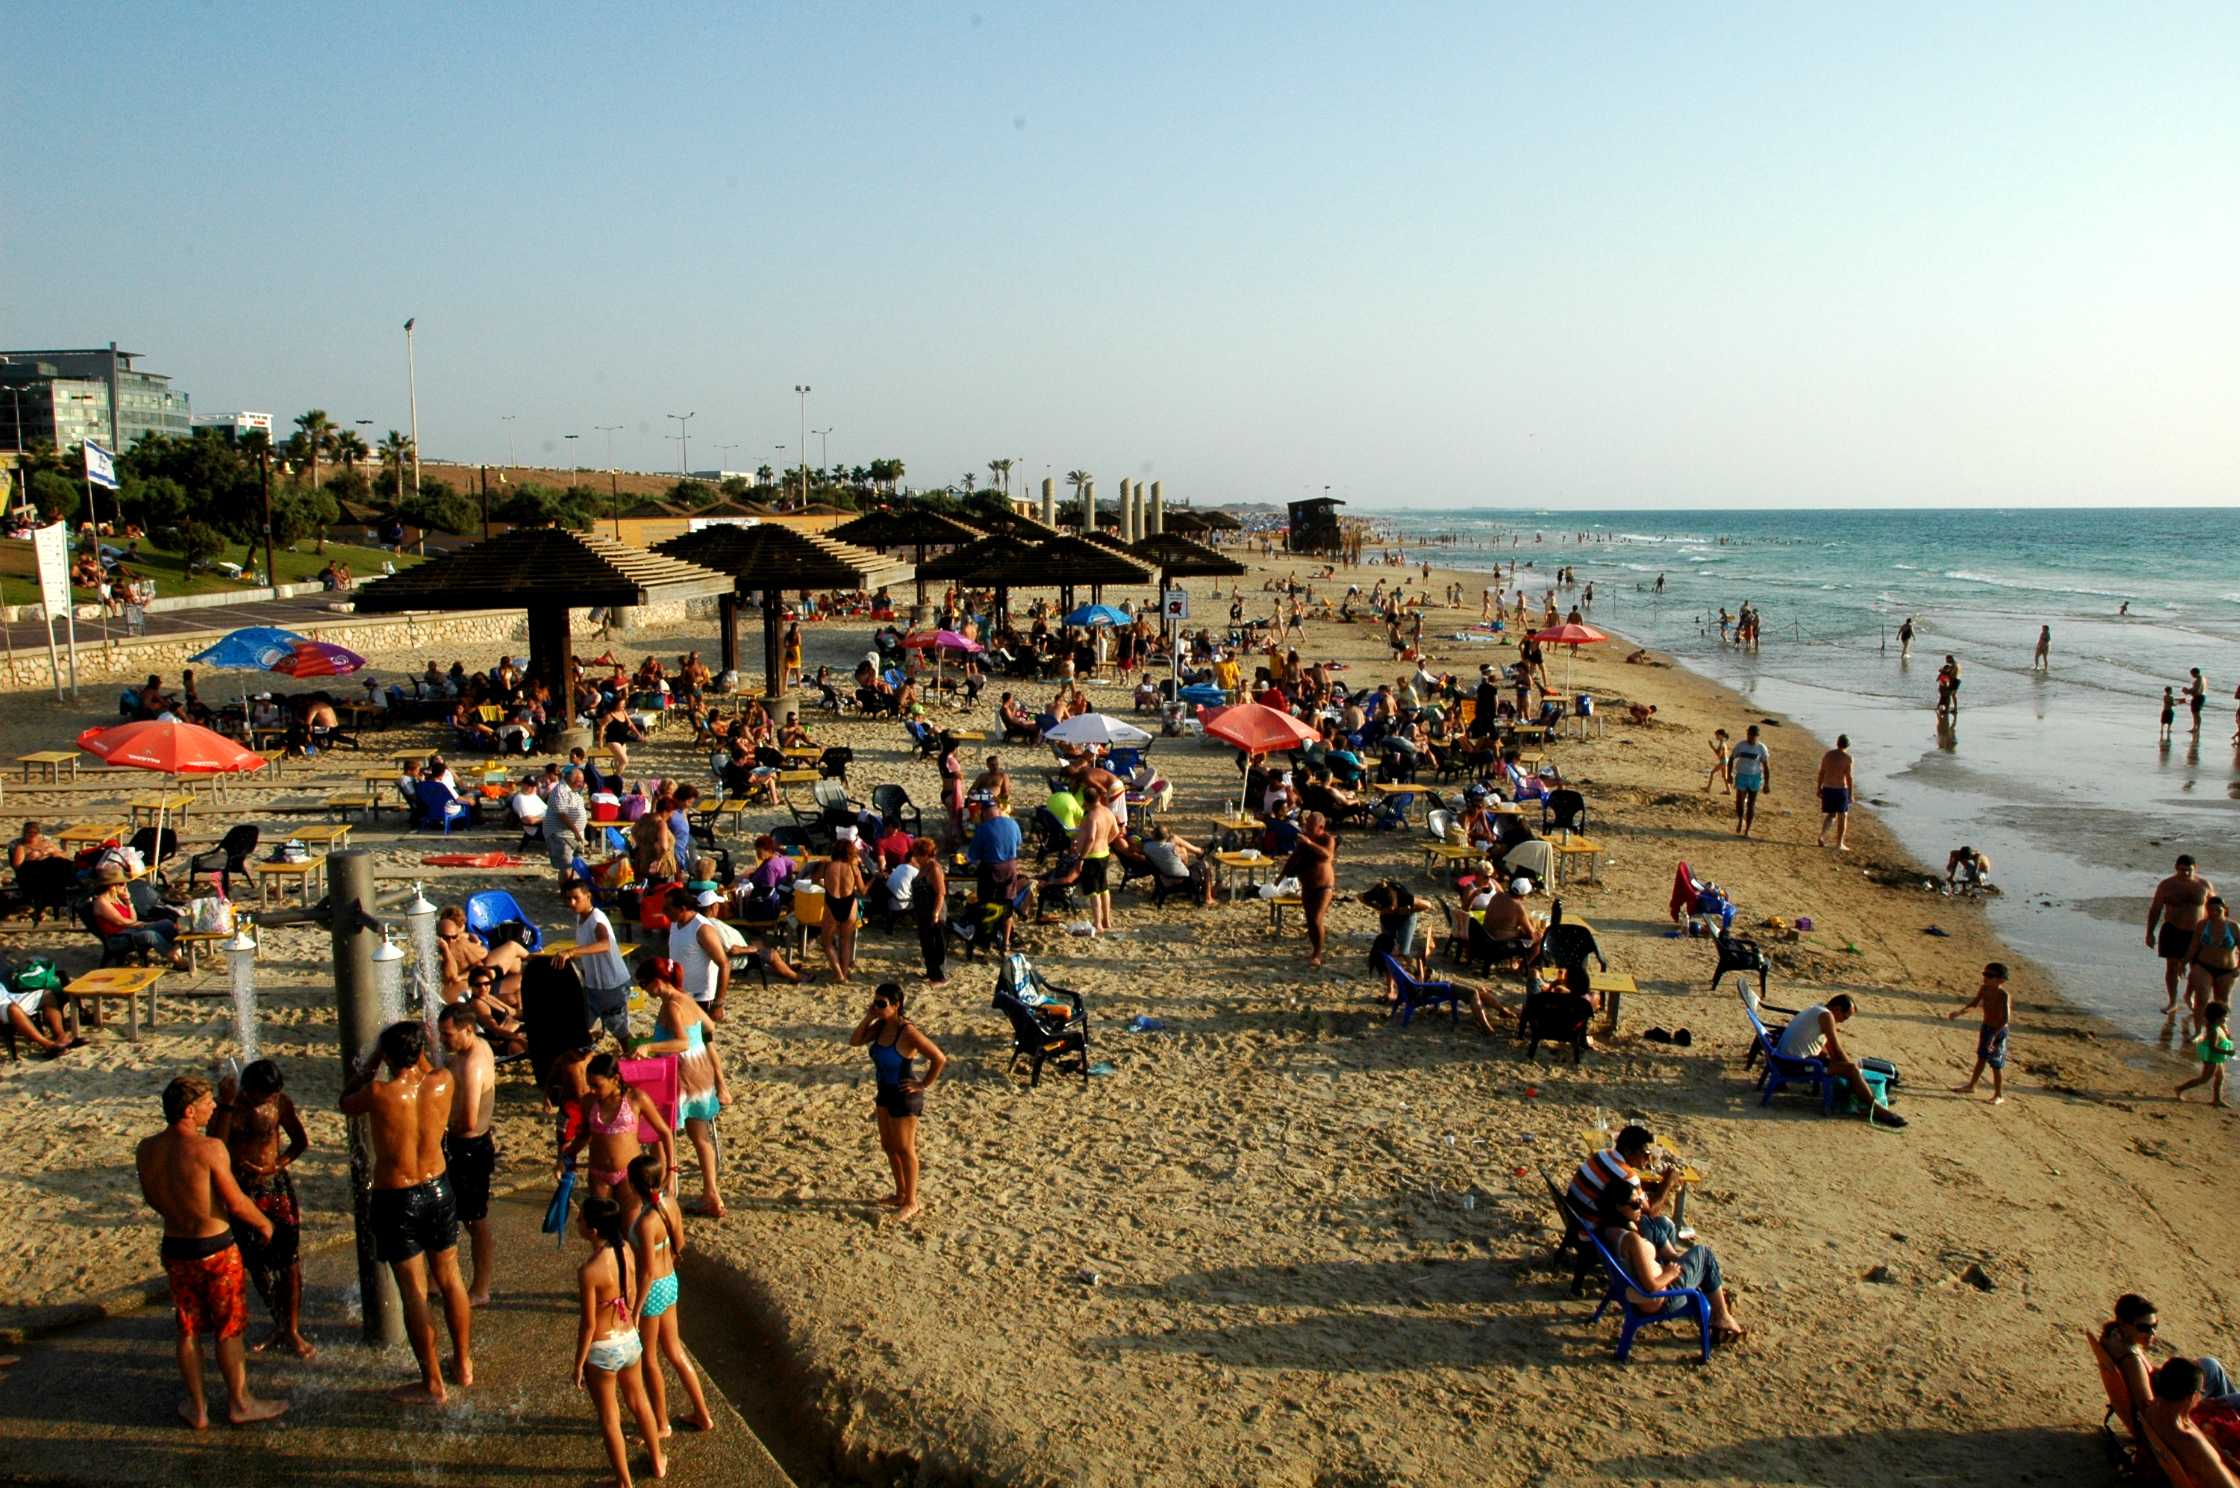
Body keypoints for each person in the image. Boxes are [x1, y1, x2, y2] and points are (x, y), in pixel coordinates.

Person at [136, 1076, 289, 1429]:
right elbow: (235, 1202)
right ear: (190, 1111)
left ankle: (199, 1407)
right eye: (208, 1102)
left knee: (187, 1327)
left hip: (176, 1246)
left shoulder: (147, 1148)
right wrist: (266, 1224)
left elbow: (152, 1197)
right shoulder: (209, 1149)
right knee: (228, 1327)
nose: (214, 1107)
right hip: (215, 1246)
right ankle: (239, 1402)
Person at [339, 1021, 474, 1404]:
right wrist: (420, 1048)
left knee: (415, 1291)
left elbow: (345, 1102)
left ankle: (432, 1382)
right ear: (419, 1052)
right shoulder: (443, 1080)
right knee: (450, 1278)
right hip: (438, 1187)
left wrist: (371, 1062)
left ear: (387, 1057)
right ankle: (463, 1363)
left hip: (397, 1196)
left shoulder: (379, 1092)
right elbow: (429, 1069)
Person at [206, 1060, 312, 1357]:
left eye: (272, 1095)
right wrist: (227, 1104)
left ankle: (291, 1329)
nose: (267, 1101)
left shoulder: (280, 1105)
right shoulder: (228, 1108)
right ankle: (278, 1322)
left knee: (288, 1259)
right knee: (255, 1262)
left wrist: (276, 1165)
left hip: (274, 1188)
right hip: (239, 1191)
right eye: (262, 1096)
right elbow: (215, 1144)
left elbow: (299, 1142)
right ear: (247, 1090)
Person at [572, 1195, 667, 1488]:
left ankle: (624, 1482)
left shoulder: (589, 1271)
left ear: (593, 1230)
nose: (577, 1221)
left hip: (603, 1348)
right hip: (629, 1339)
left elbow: (588, 1325)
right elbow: (635, 1288)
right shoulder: (624, 1248)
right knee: (639, 1402)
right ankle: (657, 1461)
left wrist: (577, 1365)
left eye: (581, 1219)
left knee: (610, 1417)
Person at [626, 1155, 714, 1437]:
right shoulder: (670, 1203)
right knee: (674, 1351)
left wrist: (636, 1309)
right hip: (670, 1282)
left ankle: (661, 1423)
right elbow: (681, 1242)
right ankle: (703, 1413)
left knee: (650, 1358)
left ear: (633, 1184)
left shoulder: (645, 1222)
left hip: (652, 1290)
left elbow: (646, 1272)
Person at [1595, 1180, 1743, 1347]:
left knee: (1658, 1224)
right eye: (1636, 1204)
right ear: (1619, 1207)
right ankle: (1722, 1317)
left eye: (1641, 1200)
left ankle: (1711, 1298)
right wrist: (1669, 1274)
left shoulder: (1607, 1230)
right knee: (1704, 1254)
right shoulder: (1632, 1241)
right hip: (1662, 1300)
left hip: (1631, 1290)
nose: (1642, 1206)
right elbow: (1651, 1286)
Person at [849, 983, 947, 1223]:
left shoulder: (908, 1032)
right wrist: (869, 1015)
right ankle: (900, 1193)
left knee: (905, 1148)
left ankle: (912, 1202)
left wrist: (923, 1083)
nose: (878, 1007)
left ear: (896, 1005)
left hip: (904, 1094)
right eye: (876, 1002)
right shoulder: (881, 1026)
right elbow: (855, 1040)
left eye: (882, 1004)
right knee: (888, 1145)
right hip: (884, 1091)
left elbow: (939, 1058)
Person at [639, 966, 730, 1218]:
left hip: (679, 1076)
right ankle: (712, 1194)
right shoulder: (686, 998)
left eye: (644, 983)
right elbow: (709, 1026)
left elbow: (682, 1042)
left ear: (658, 981)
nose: (643, 990)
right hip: (701, 1072)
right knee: (699, 1136)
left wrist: (649, 1047)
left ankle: (664, 1189)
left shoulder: (672, 1005)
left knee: (660, 1133)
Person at [435, 1005, 499, 1308]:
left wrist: (439, 1126)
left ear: (467, 1030)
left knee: (476, 1220)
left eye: (448, 1035)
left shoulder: (473, 1063)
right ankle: (443, 1278)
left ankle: (481, 1287)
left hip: (470, 1147)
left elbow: (469, 1120)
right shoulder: (472, 1048)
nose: (444, 1040)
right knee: (451, 1213)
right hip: (465, 1145)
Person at [1773, 994, 1905, 1127]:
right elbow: (1836, 1048)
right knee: (1852, 1070)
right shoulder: (1826, 1016)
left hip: (1783, 1059)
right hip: (1794, 1065)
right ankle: (1877, 1109)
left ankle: (1867, 1096)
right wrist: (1853, 1070)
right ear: (1837, 1009)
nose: (1843, 1021)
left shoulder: (1816, 1009)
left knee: (1847, 1068)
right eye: (1845, 1016)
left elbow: (1828, 1047)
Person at [1567, 1124, 1690, 1248]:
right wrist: (1667, 1183)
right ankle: (1665, 1262)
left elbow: (1622, 1187)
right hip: (1592, 1234)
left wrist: (1655, 1186)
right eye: (1644, 1153)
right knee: (1665, 1224)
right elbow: (1650, 1211)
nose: (1648, 1158)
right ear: (1627, 1151)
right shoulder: (1628, 1176)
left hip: (1574, 1219)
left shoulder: (1603, 1155)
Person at [554, 879, 634, 1044]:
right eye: (568, 899)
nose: (572, 903)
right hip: (593, 987)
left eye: (576, 898)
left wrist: (572, 952)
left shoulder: (597, 920)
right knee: (579, 1028)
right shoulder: (580, 918)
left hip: (612, 987)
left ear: (588, 896)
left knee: (622, 1034)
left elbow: (604, 944)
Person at [2143, 1358, 2240, 1488]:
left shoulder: (2152, 1411)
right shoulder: (2191, 1441)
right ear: (2192, 1397)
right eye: (2201, 1392)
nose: (2201, 1397)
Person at [2148, 855, 2217, 1015]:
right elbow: (2156, 909)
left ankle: (2189, 996)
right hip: (2173, 929)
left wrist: (2216, 932)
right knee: (2172, 966)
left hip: (2197, 932)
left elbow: (2216, 909)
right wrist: (2150, 933)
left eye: (2189, 870)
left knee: (2197, 969)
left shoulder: (2204, 885)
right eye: (2182, 870)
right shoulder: (2167, 885)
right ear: (2176, 868)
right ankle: (2172, 1001)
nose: (2185, 873)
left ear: (2195, 868)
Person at [90, 866, 188, 968]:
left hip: (130, 930)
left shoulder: (116, 898)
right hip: (118, 937)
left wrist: (128, 902)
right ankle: (175, 958)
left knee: (167, 923)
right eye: (122, 884)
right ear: (112, 886)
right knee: (150, 935)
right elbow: (122, 922)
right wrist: (145, 924)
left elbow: (133, 919)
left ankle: (176, 951)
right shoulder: (102, 902)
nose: (125, 886)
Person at [1944, 962, 2012, 1104]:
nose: (1985, 978)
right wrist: (1960, 1012)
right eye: (1985, 974)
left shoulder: (2003, 995)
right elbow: (1974, 1004)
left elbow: (2005, 1019)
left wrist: (1994, 1037)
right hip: (1986, 1028)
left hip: (1998, 1031)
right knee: (1981, 1057)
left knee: (1995, 1063)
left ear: (2001, 980)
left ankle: (1998, 1095)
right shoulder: (1984, 989)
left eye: (1990, 976)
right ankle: (1971, 1085)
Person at [664, 887, 732, 1021]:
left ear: (682, 909)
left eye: (668, 909)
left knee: (700, 1039)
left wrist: (719, 1003)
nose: (664, 912)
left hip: (700, 998)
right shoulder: (674, 924)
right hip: (679, 992)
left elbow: (724, 964)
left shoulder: (702, 929)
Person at [1284, 809, 1336, 969]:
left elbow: (1327, 856)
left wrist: (1309, 843)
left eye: (1311, 825)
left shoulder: (1327, 839)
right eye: (1307, 824)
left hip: (1324, 887)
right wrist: (1280, 878)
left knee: (1316, 919)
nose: (1307, 827)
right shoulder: (1304, 840)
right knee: (1310, 921)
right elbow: (1294, 858)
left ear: (1320, 827)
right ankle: (1315, 947)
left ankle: (1317, 954)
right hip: (1307, 887)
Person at [819, 831, 866, 983]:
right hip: (849, 904)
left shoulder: (826, 865)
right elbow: (863, 891)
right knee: (846, 941)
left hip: (831, 904)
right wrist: (874, 880)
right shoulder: (853, 868)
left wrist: (823, 884)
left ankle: (838, 973)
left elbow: (813, 879)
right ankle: (844, 974)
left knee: (826, 942)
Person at [1072, 783, 1119, 934]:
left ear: (1086, 800)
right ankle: (1107, 920)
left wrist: (1081, 858)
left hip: (1092, 856)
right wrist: (1106, 841)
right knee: (1104, 888)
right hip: (1104, 853)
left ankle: (1098, 922)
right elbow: (1116, 831)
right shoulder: (1107, 812)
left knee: (1093, 891)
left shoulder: (1091, 816)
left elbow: (1091, 838)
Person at [2188, 896, 2240, 1028]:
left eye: (2218, 910)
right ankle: (2198, 1031)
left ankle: (2221, 1030)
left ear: (2225, 909)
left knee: (2222, 1002)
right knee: (2202, 998)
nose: (2214, 913)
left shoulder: (2233, 927)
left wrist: (2238, 968)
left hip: (2227, 970)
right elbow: (2194, 946)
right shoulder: (2202, 925)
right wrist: (2183, 962)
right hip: (2204, 966)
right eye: (2210, 910)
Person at [907, 836, 948, 984]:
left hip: (933, 910)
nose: (915, 857)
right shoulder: (923, 867)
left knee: (937, 944)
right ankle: (931, 972)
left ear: (925, 854)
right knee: (927, 944)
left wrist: (936, 913)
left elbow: (941, 893)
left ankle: (940, 976)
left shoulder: (934, 868)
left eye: (917, 854)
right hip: (923, 910)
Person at [2176, 1001, 2232, 1107]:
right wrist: (2227, 1052)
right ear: (2216, 1018)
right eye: (2224, 1017)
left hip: (2217, 1057)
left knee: (2220, 1076)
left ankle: (2217, 1099)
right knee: (2204, 1079)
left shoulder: (2217, 1026)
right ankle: (2179, 1088)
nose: (2226, 1019)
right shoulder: (2213, 1031)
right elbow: (2213, 1047)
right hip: (2212, 1057)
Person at [1728, 724, 1770, 838]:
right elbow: (1731, 759)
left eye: (1752, 735)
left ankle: (1747, 830)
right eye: (1748, 734)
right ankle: (1741, 819)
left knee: (1751, 804)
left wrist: (1766, 783)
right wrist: (1729, 775)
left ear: (1757, 736)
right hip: (1741, 775)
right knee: (1739, 802)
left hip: (1755, 777)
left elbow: (1766, 766)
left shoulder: (1761, 748)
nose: (1750, 737)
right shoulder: (1741, 746)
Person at [1815, 734, 1854, 851]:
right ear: (1847, 745)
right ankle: (1839, 843)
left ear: (1837, 743)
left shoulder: (1828, 755)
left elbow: (1821, 772)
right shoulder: (1847, 758)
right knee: (1843, 816)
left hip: (1828, 787)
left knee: (1831, 815)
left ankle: (1822, 835)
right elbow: (1849, 777)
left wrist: (1819, 788)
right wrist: (1850, 794)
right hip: (1840, 788)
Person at [2188, 668, 2209, 734]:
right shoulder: (2203, 678)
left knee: (2196, 713)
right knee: (2195, 713)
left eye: (2192, 674)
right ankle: (2195, 727)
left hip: (2198, 697)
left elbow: (2196, 691)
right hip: (2201, 696)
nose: (2192, 676)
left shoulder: (2198, 680)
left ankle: (2197, 728)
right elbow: (2196, 689)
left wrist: (2188, 691)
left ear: (2195, 673)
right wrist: (2189, 690)